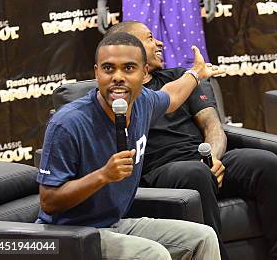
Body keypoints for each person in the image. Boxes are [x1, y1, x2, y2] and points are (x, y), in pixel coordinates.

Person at [105, 21, 277, 260]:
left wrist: (213, 159)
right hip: (159, 172)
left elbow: (212, 125)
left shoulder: (179, 76)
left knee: (267, 163)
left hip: (203, 159)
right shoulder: (118, 93)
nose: (159, 42)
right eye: (150, 38)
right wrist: (195, 74)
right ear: (129, 48)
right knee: (195, 173)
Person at [37, 31, 223, 260]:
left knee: (203, 237)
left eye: (128, 68)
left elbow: (172, 96)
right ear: (96, 72)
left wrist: (195, 73)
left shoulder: (144, 101)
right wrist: (103, 176)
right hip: (68, 234)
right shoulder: (67, 124)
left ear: (144, 72)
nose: (117, 77)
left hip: (114, 224)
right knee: (153, 255)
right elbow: (49, 201)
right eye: (108, 68)